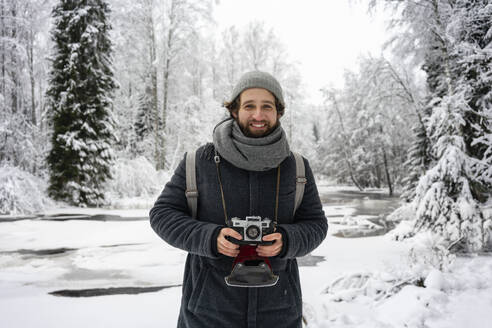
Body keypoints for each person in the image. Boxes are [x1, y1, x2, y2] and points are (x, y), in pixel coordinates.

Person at [150, 71, 327, 328]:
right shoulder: (199, 162)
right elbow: (162, 214)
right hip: (208, 313)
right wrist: (210, 238)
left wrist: (287, 240)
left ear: (278, 112)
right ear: (234, 110)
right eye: (249, 106)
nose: (258, 115)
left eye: (267, 106)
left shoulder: (296, 167)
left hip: (279, 312)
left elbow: (316, 224)